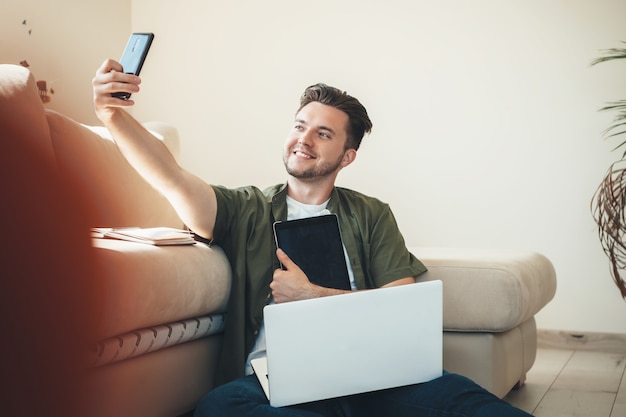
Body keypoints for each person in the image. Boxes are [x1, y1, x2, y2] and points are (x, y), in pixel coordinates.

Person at [92, 59, 533, 417]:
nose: (304, 139)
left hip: (372, 374)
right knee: (221, 408)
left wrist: (313, 296)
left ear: (347, 155)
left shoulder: (371, 214)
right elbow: (171, 178)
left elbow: (400, 309)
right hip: (276, 380)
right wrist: (112, 114)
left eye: (323, 133)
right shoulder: (246, 208)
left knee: (465, 400)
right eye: (300, 125)